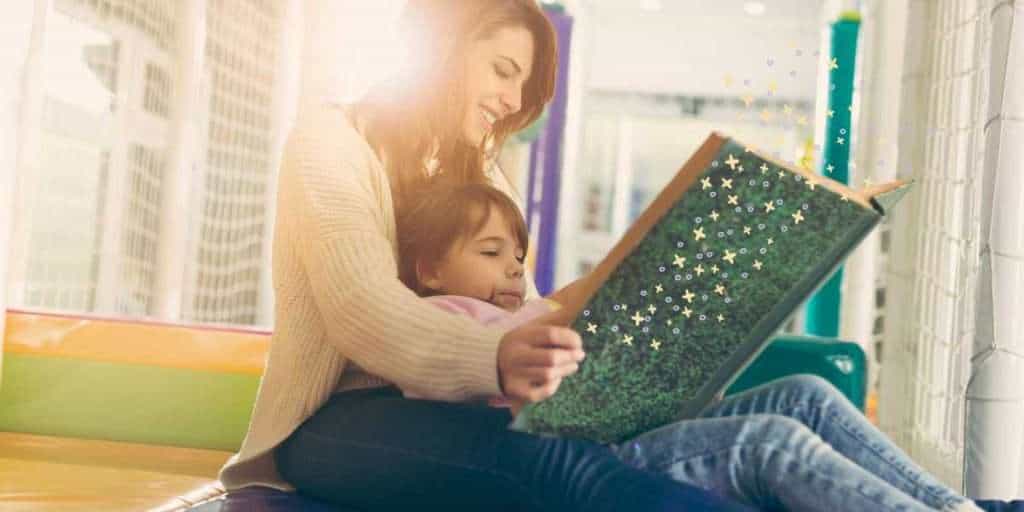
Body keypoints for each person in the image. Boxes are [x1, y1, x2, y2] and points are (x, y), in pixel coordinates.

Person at [217, 1, 996, 510]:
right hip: (346, 419)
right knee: (576, 473)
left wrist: (673, 276)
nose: (509, 103)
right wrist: (500, 358)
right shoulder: (332, 140)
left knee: (798, 398)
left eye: (523, 91)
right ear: (441, 48)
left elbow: (526, 312)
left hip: (474, 405)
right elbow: (365, 311)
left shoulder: (476, 168)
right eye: (502, 71)